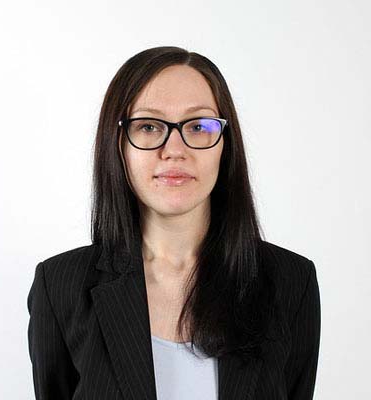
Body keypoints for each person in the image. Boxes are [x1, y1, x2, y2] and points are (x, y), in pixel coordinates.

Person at [27, 46, 321, 400]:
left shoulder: (291, 281)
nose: (175, 150)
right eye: (149, 126)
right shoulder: (61, 286)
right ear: (118, 144)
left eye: (198, 126)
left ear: (225, 144)